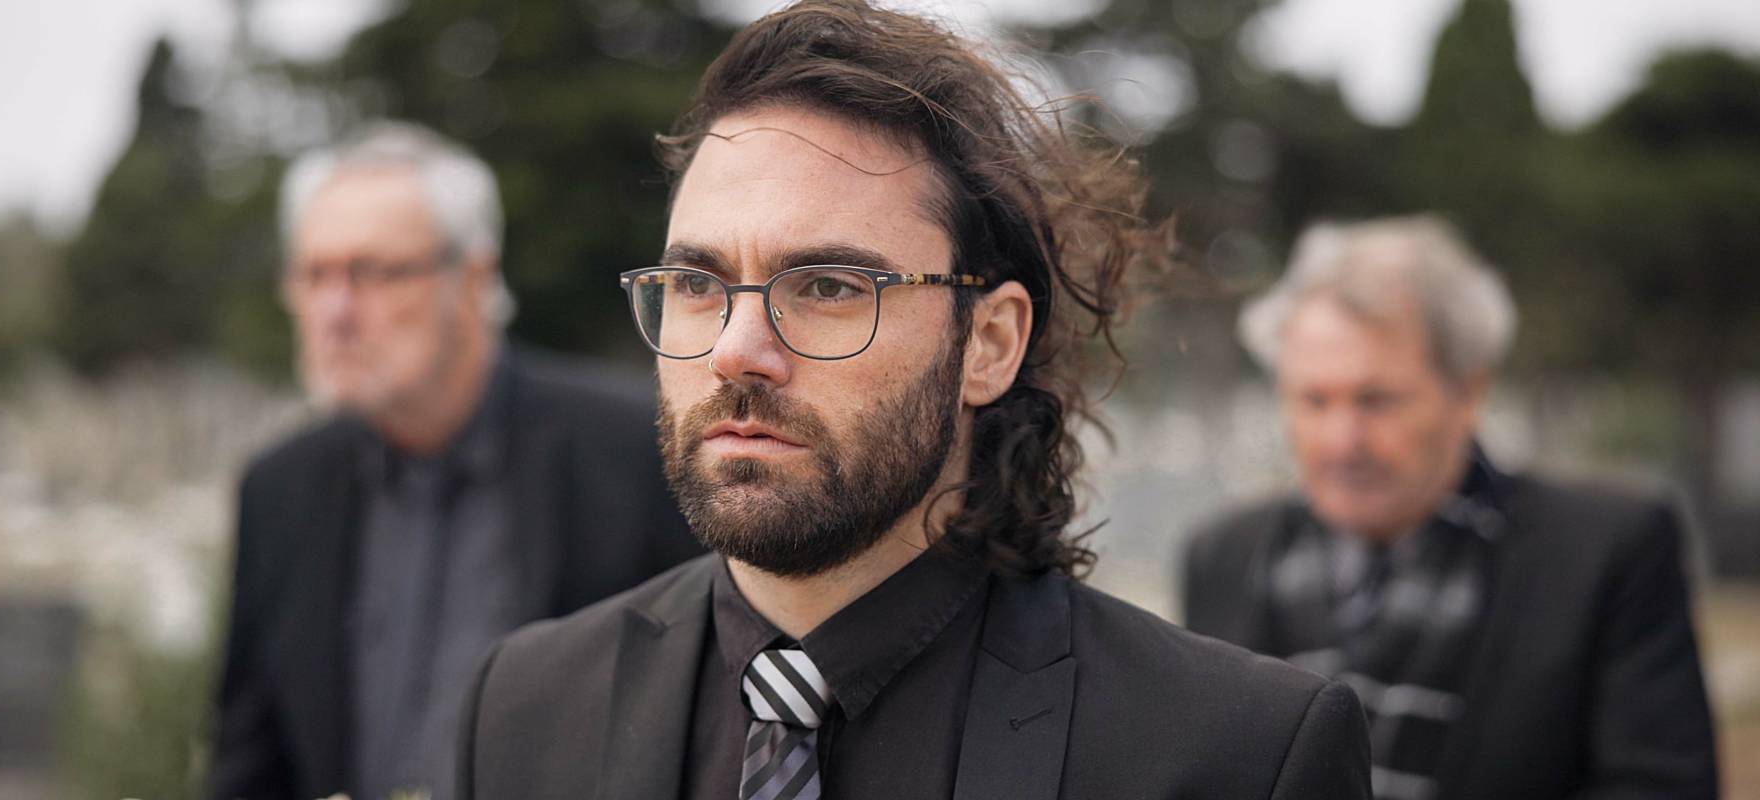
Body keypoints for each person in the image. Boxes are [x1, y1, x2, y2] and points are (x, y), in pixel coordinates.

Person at [455, 2, 1373, 798]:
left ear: (989, 344)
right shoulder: (525, 707)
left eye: (826, 288)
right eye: (698, 284)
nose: (737, 351)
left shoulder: (1236, 755)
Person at [208, 122, 701, 800]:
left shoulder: (636, 450)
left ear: (473, 278)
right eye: (314, 274)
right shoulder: (280, 489)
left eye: (373, 273)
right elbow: (248, 762)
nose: (335, 310)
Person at [1184, 215, 1720, 800]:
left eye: (1377, 400)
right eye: (1314, 400)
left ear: (1469, 393)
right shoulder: (1223, 556)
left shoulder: (1609, 552)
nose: (1341, 440)